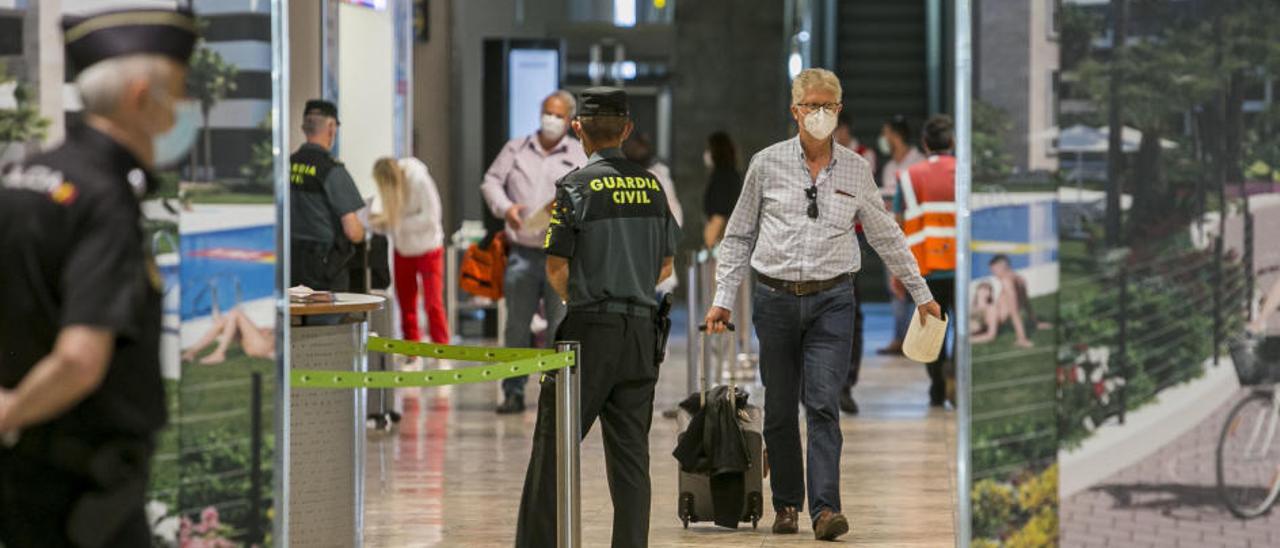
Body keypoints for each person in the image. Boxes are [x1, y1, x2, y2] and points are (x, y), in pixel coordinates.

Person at [703, 68, 940, 541]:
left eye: (829, 106)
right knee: (780, 408)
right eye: (811, 105)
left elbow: (885, 233)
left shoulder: (855, 168)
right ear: (794, 111)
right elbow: (738, 236)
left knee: (824, 404)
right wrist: (722, 300)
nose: (820, 114)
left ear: (840, 109)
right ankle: (788, 504)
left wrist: (922, 293)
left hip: (834, 300)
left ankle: (826, 510)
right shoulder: (765, 164)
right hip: (774, 299)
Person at [0, 8, 198, 546]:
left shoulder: (21, 178)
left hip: (21, 482)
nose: (187, 111)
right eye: (179, 93)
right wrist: (11, 413)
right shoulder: (106, 199)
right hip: (86, 491)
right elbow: (80, 360)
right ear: (141, 97)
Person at [515, 87, 680, 548]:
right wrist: (631, 281)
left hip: (589, 332)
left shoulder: (575, 187)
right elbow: (666, 264)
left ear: (578, 129)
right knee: (631, 458)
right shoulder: (652, 187)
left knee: (554, 446)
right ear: (627, 129)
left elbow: (556, 267)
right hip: (641, 335)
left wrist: (588, 296)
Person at [481, 90, 587, 414]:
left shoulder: (578, 155)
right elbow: (491, 182)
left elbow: (586, 194)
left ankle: (555, 391)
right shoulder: (516, 148)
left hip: (560, 255)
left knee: (560, 324)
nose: (550, 119)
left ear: (570, 121)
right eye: (546, 112)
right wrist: (507, 207)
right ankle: (512, 391)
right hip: (523, 252)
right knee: (516, 325)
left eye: (557, 115)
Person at [895, 114, 959, 405]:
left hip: (925, 268)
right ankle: (955, 375)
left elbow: (897, 225)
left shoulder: (909, 176)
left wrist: (898, 274)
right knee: (965, 328)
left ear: (924, 144)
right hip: (960, 266)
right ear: (953, 142)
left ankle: (936, 386)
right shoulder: (965, 172)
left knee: (932, 329)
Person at [370, 157, 449, 344]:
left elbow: (432, 217)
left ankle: (442, 350)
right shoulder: (390, 188)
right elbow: (391, 219)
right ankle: (412, 353)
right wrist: (379, 223)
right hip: (403, 250)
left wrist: (397, 224)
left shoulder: (419, 179)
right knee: (406, 304)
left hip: (429, 248)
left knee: (433, 303)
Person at [290, 99, 366, 291]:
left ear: (304, 128)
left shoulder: (286, 165)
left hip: (290, 262)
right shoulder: (331, 169)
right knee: (328, 320)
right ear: (331, 127)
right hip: (323, 269)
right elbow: (353, 232)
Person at [877, 115, 927, 356]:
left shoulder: (918, 163)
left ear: (895, 135)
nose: (884, 139)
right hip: (892, 235)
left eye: (886, 133)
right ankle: (900, 338)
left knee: (917, 286)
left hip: (917, 235)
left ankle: (920, 338)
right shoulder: (888, 168)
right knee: (896, 289)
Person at [624, 132, 683, 296]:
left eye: (640, 147)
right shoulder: (617, 177)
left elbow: (675, 219)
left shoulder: (660, 177)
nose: (637, 150)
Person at [972, 255, 1046, 347]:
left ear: (1002, 267)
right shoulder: (1020, 279)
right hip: (986, 316)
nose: (994, 274)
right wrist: (1035, 324)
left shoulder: (1007, 281)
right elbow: (1025, 304)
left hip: (988, 318)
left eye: (994, 270)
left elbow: (1015, 311)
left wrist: (1022, 338)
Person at [182, 307, 276, 365]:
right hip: (259, 343)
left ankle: (220, 353)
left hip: (263, 346)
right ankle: (190, 353)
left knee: (236, 312)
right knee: (221, 322)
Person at [702, 131, 742, 249]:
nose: (706, 153)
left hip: (721, 244)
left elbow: (719, 214)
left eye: (709, 149)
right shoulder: (730, 175)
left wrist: (709, 244)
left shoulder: (723, 177)